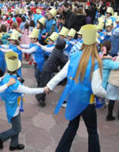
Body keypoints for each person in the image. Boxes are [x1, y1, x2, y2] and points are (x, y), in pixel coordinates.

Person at [46, 24, 107, 152]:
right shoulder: (96, 61)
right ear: (95, 44)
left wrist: (49, 85)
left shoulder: (74, 56)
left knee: (72, 127)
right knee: (92, 131)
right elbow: (97, 90)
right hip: (87, 102)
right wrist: (106, 94)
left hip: (73, 98)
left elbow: (62, 73)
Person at [0, 51, 48, 151]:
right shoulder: (15, 85)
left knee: (15, 127)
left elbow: (12, 82)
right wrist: (43, 89)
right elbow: (28, 91)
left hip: (12, 105)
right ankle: (1, 137)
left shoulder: (7, 76)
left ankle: (14, 145)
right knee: (17, 128)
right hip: (13, 108)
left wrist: (17, 79)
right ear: (17, 68)